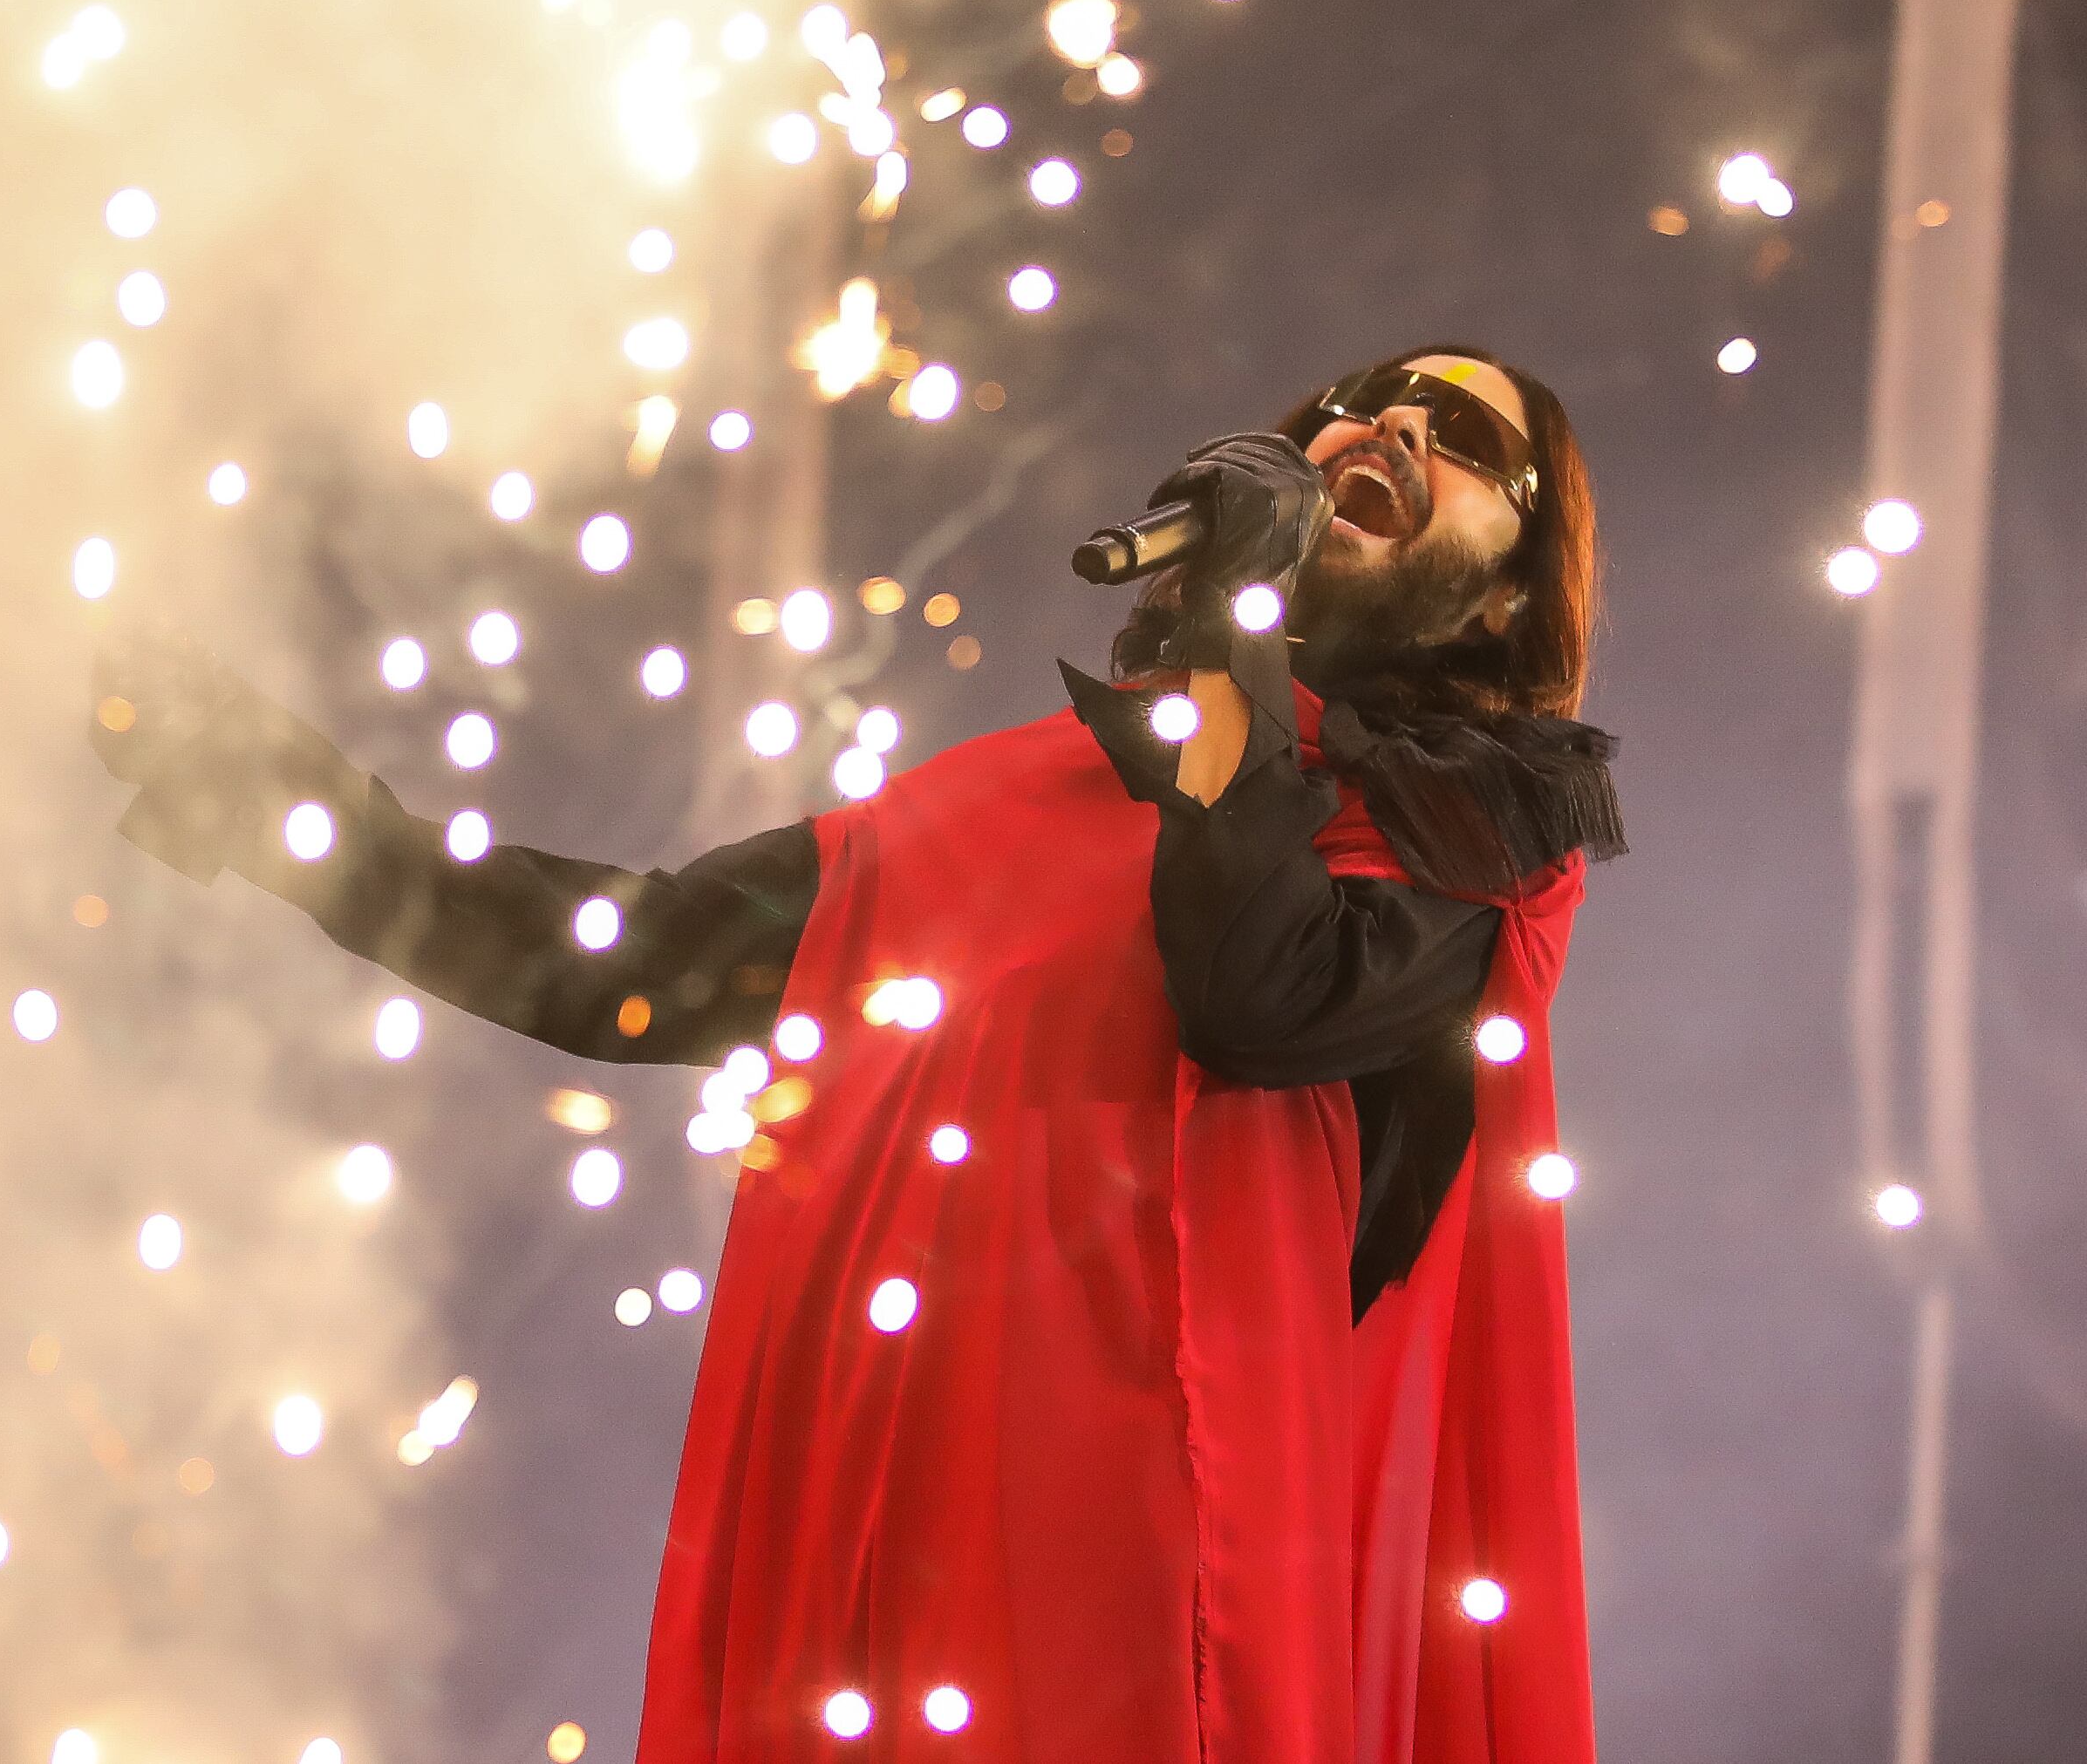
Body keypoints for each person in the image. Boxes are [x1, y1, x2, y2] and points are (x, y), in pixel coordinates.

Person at [91, 344, 1627, 1764]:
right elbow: (615, 968)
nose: (1393, 421)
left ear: (1508, 596)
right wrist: (290, 805)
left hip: (1178, 1642)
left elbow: (1255, 990)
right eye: (1361, 399)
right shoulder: (996, 813)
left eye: (1469, 434)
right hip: (905, 1610)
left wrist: (1238, 637)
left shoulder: (1470, 856)